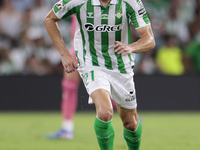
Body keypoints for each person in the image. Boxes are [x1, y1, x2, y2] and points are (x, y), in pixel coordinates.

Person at [44, 0, 155, 149]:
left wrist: (131, 47)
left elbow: (149, 39)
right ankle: (67, 127)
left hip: (121, 65)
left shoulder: (130, 2)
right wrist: (64, 54)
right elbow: (49, 19)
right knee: (104, 112)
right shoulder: (78, 1)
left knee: (131, 124)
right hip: (91, 62)